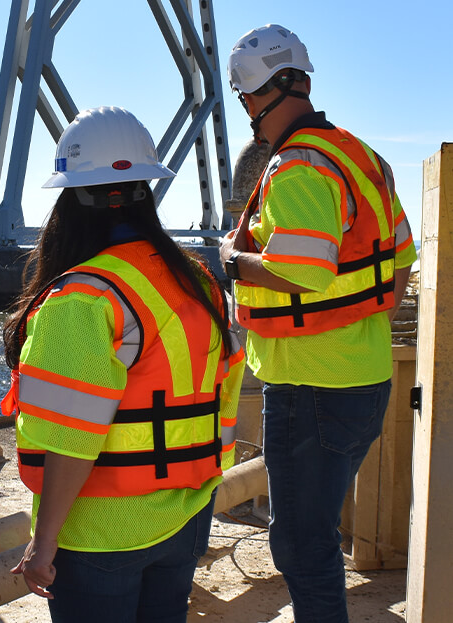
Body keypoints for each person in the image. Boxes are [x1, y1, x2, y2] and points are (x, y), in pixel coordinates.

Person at [0, 106, 245, 622]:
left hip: (102, 532)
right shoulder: (197, 281)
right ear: (146, 194)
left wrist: (43, 548)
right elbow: (225, 385)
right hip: (187, 511)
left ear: (71, 200)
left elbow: (72, 436)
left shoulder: (82, 299)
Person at [219, 25, 416, 623]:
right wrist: (359, 312)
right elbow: (400, 262)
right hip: (363, 378)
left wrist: (232, 259)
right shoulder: (361, 157)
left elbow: (303, 272)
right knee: (314, 534)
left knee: (303, 547)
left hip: (311, 388)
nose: (248, 111)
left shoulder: (299, 166)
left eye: (245, 98)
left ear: (259, 95)